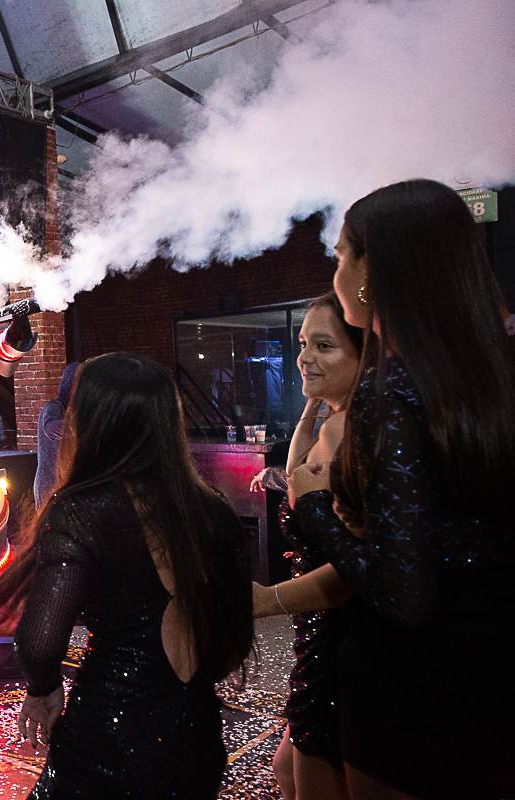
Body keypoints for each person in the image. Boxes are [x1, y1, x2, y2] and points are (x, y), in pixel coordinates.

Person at [290, 179, 515, 800]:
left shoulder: (391, 390)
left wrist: (313, 507)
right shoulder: (494, 375)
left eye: (341, 256)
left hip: (413, 686)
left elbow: (402, 592)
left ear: (372, 272)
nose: (337, 272)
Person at [0, 353, 254, 799]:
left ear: (92, 422)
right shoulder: (213, 510)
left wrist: (44, 689)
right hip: (198, 735)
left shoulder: (81, 512)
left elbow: (39, 642)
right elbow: (232, 640)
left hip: (106, 740)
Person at [248, 292, 363, 800]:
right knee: (289, 770)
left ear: (364, 355)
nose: (303, 357)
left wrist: (265, 599)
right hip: (316, 632)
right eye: (301, 344)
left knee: (312, 777)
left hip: (338, 633)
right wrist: (312, 405)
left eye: (324, 346)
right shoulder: (338, 422)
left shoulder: (353, 430)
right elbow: (297, 473)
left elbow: (355, 567)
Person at [33, 362, 80, 510]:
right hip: (49, 486)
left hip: (63, 486)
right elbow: (50, 428)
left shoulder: (71, 410)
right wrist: (83, 425)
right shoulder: (54, 406)